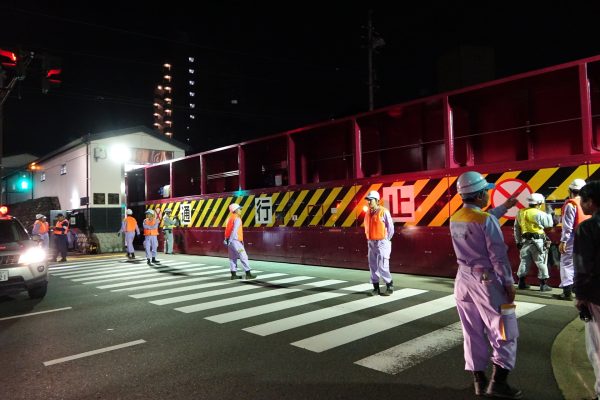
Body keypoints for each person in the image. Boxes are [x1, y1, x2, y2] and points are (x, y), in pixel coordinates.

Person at [450, 171, 522, 399]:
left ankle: (479, 383)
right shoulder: (485, 220)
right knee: (504, 329)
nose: (488, 196)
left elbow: (483, 219)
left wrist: (504, 207)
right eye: (487, 192)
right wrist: (509, 284)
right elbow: (498, 257)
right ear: (480, 195)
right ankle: (498, 383)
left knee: (472, 332)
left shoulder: (456, 217)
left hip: (463, 280)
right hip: (487, 282)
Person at [573, 180, 600, 400]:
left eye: (583, 200)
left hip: (596, 295)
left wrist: (580, 296)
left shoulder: (588, 228)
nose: (580, 204)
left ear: (591, 202)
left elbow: (582, 266)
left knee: (597, 348)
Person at [554, 178, 590, 300]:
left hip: (572, 239)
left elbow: (567, 226)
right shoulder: (588, 202)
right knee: (581, 264)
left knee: (566, 263)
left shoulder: (571, 204)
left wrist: (563, 241)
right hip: (586, 238)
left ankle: (567, 291)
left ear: (571, 191)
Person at [514, 193, 555, 291]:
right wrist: (549, 214)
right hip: (538, 242)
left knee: (524, 262)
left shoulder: (520, 212)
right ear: (539, 203)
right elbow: (549, 224)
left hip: (525, 242)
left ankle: (521, 283)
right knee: (541, 261)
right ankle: (543, 285)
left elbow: (516, 229)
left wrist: (518, 241)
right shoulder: (540, 213)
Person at [363, 190, 395, 296]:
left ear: (377, 200)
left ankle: (389, 285)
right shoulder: (367, 213)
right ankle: (376, 288)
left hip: (382, 242)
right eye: (368, 200)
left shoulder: (384, 211)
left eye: (370, 200)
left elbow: (391, 228)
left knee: (383, 266)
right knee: (373, 266)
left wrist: (386, 240)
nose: (368, 202)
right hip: (371, 243)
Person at [224, 203, 256, 280]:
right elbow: (234, 230)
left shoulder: (229, 219)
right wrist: (231, 240)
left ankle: (233, 274)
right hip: (236, 241)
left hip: (230, 241)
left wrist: (227, 240)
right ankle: (248, 273)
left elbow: (227, 230)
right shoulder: (237, 219)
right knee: (243, 256)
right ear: (235, 210)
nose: (241, 210)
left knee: (232, 257)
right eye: (239, 209)